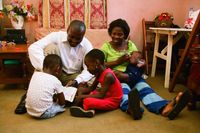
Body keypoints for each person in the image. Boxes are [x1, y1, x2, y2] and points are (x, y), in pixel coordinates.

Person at [101, 18, 190, 120]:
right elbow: (102, 66)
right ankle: (132, 108)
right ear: (110, 33)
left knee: (145, 88)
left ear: (125, 35)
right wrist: (118, 62)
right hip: (117, 77)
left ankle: (165, 107)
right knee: (124, 90)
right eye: (114, 34)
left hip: (133, 75)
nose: (116, 37)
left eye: (120, 34)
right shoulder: (106, 47)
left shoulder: (130, 45)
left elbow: (137, 58)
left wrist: (141, 63)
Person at [15, 20, 94, 114]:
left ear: (83, 36)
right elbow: (34, 47)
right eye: (71, 37)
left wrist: (77, 81)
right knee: (50, 47)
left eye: (78, 38)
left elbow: (89, 69)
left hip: (74, 76)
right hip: (54, 73)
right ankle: (28, 97)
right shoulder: (56, 36)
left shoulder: (87, 45)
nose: (74, 41)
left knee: (95, 84)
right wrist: (45, 69)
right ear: (67, 31)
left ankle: (58, 96)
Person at [69, 49, 123, 118]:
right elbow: (91, 88)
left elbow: (101, 96)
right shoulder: (99, 73)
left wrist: (82, 96)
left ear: (97, 63)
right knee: (86, 91)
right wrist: (80, 90)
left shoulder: (108, 76)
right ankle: (90, 109)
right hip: (106, 95)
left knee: (88, 101)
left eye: (88, 66)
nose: (87, 69)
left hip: (113, 101)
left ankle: (86, 109)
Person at [26, 54, 77, 119]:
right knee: (61, 107)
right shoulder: (55, 80)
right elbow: (62, 101)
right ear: (58, 68)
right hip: (43, 113)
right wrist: (62, 104)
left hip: (29, 110)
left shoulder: (35, 74)